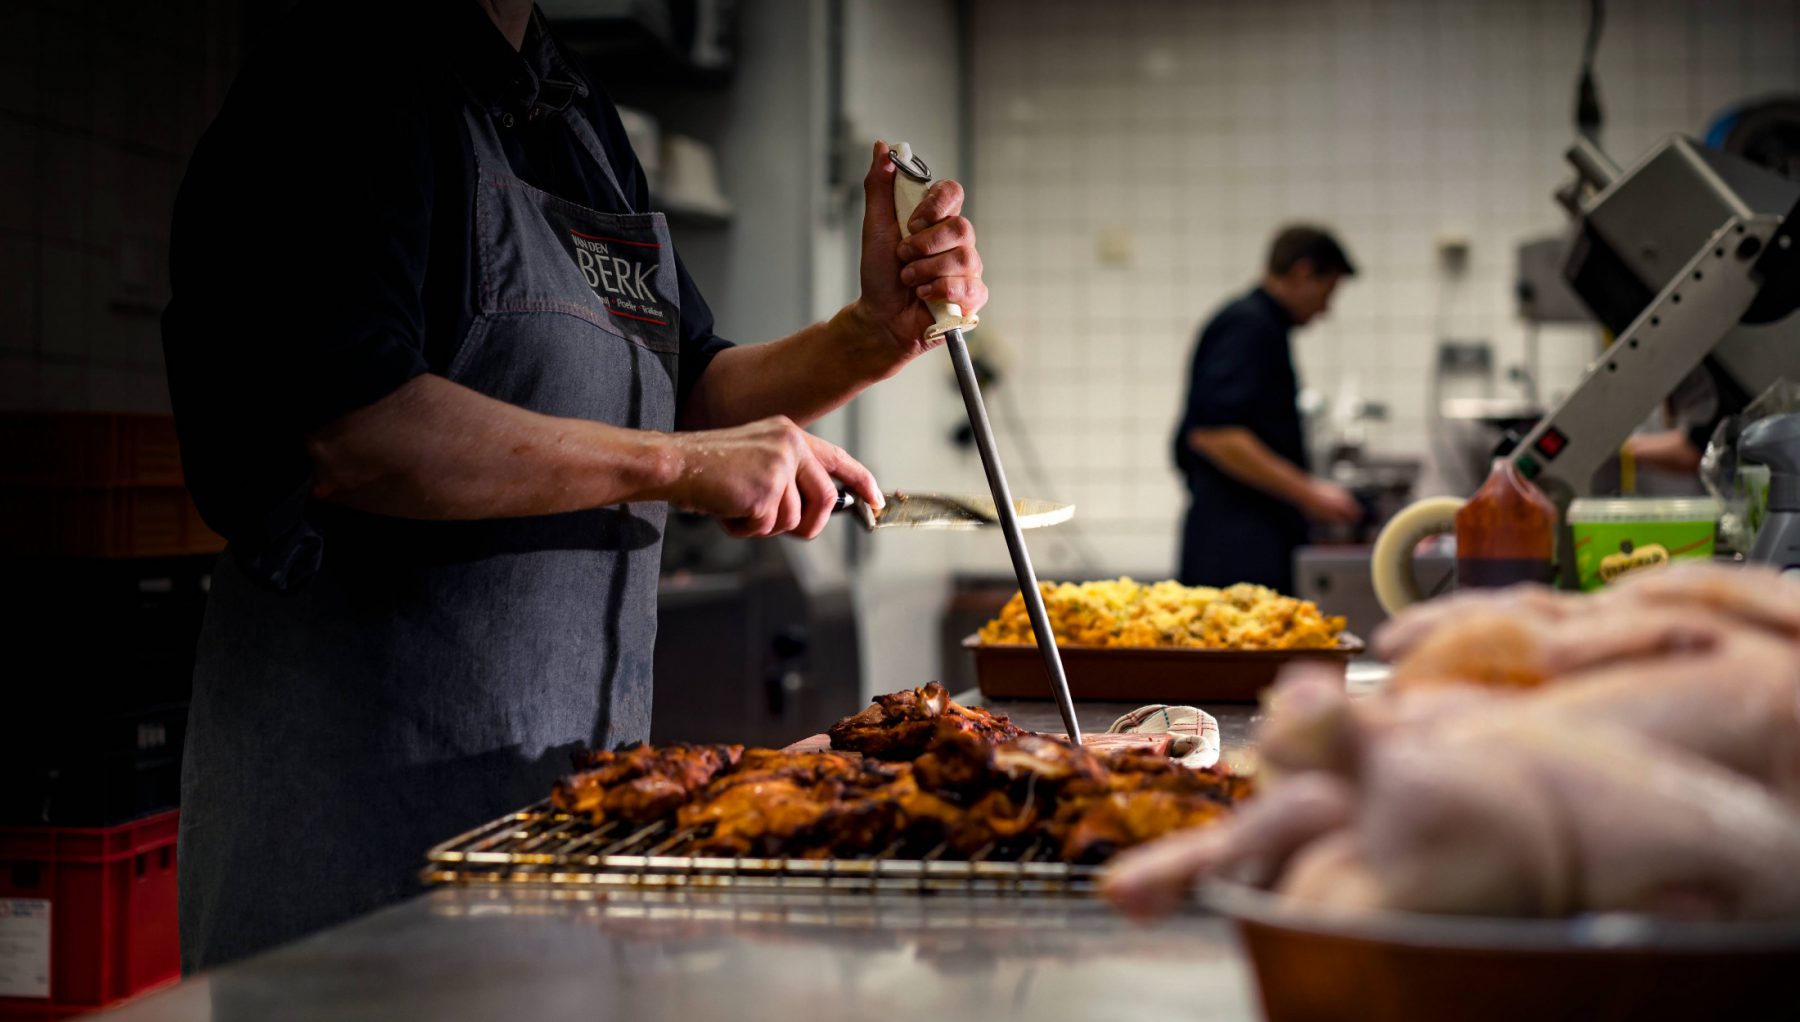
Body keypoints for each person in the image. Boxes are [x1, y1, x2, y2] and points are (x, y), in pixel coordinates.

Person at [162, 0, 987, 970]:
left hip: (560, 815)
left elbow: (687, 386)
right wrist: (680, 466)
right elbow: (355, 428)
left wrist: (871, 334)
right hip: (363, 822)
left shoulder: (575, 112)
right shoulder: (337, 78)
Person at [1173, 225, 1360, 594]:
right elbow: (1216, 434)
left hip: (1247, 536)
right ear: (1303, 272)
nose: (1327, 308)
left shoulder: (1263, 326)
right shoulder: (1248, 326)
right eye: (1329, 290)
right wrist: (1310, 493)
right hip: (1235, 545)